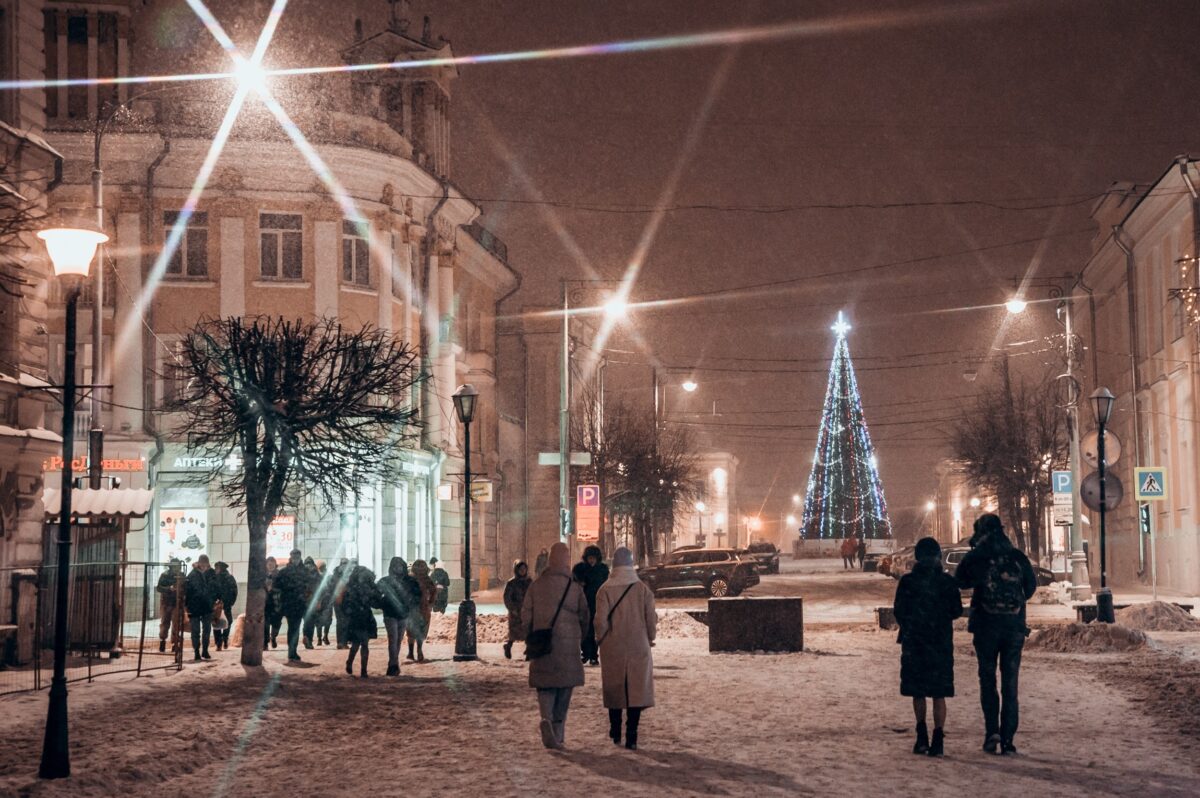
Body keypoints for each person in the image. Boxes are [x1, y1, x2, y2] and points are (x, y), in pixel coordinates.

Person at [955, 513, 1037, 756]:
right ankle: (1009, 739)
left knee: (988, 680)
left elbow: (960, 580)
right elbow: (1031, 587)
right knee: (1011, 683)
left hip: (985, 627)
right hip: (1014, 628)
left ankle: (992, 732)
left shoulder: (979, 555)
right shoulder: (1016, 556)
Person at [893, 537, 963, 757]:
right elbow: (956, 611)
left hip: (915, 643)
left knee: (918, 691)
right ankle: (938, 738)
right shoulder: (947, 582)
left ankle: (921, 735)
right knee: (939, 693)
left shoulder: (908, 582)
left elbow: (899, 611)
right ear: (938, 556)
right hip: (940, 644)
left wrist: (912, 625)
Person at [522, 542, 590, 750]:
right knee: (564, 686)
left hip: (543, 642)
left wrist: (530, 634)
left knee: (545, 684)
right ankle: (558, 730)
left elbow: (526, 614)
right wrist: (581, 636)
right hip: (568, 646)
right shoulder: (574, 587)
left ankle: (546, 718)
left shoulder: (537, 585)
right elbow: (584, 615)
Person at [593, 547, 657, 750]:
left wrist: (600, 638)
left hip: (613, 646)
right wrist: (650, 637)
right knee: (636, 690)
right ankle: (632, 734)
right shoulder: (642, 589)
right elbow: (651, 619)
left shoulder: (605, 589)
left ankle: (615, 729)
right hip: (638, 645)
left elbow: (600, 621)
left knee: (615, 688)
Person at [378, 557, 421, 676]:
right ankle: (393, 664)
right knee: (393, 639)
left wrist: (411, 603)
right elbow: (376, 595)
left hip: (403, 614)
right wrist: (383, 604)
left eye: (400, 566)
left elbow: (417, 595)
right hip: (390, 614)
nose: (398, 568)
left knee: (398, 640)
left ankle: (393, 662)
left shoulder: (409, 581)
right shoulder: (385, 581)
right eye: (395, 566)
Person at [572, 545, 609, 666]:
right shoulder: (580, 569)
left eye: (593, 558)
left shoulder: (602, 569)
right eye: (589, 558)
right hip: (584, 604)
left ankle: (593, 655)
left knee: (594, 631)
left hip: (598, 603)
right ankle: (585, 653)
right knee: (584, 630)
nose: (591, 560)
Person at [343, 564, 381, 677]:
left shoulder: (366, 586)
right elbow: (346, 603)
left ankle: (362, 669)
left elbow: (375, 599)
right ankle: (352, 664)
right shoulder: (351, 587)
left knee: (363, 643)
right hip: (356, 617)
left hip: (365, 616)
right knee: (357, 644)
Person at [275, 549, 311, 661]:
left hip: (296, 604)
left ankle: (292, 650)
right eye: (294, 555)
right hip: (293, 604)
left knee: (294, 628)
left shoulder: (288, 571)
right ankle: (292, 651)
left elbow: (309, 586)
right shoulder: (289, 571)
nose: (295, 558)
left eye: (297, 555)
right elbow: (277, 587)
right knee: (294, 628)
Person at [184, 555, 217, 661]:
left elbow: (215, 587)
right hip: (195, 606)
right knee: (195, 630)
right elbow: (188, 591)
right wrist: (187, 605)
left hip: (207, 606)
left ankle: (205, 650)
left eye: (205, 563)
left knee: (207, 629)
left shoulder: (211, 574)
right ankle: (197, 651)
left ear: (207, 564)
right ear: (198, 563)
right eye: (201, 563)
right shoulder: (192, 574)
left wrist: (215, 599)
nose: (203, 565)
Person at [406, 559, 436, 662]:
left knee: (411, 630)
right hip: (423, 607)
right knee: (421, 629)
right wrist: (431, 603)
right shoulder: (427, 579)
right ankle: (419, 650)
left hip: (411, 608)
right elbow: (433, 591)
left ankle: (411, 652)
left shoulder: (409, 579)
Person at [503, 560, 532, 660]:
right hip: (515, 611)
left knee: (528, 631)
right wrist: (512, 609)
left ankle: (529, 652)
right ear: (517, 570)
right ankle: (508, 646)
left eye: (524, 569)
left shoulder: (529, 581)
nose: (523, 571)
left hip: (527, 610)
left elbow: (533, 595)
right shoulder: (511, 583)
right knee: (514, 633)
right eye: (521, 569)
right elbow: (507, 597)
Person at [156, 559, 183, 653]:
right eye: (175, 566)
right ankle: (162, 641)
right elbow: (159, 588)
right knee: (164, 623)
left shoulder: (181, 575)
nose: (177, 568)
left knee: (176, 624)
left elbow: (185, 587)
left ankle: (175, 644)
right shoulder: (165, 575)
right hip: (166, 602)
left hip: (177, 602)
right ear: (171, 566)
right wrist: (169, 589)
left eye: (178, 566)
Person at [211, 561, 238, 651]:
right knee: (228, 622)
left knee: (216, 621)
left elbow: (212, 591)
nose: (216, 569)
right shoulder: (230, 577)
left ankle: (219, 642)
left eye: (217, 568)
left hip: (217, 604)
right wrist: (230, 602)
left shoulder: (215, 578)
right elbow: (234, 591)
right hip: (226, 604)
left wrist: (214, 601)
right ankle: (224, 639)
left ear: (220, 568)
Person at [331, 557, 352, 649]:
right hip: (346, 600)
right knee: (346, 621)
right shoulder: (348, 574)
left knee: (340, 621)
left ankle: (340, 642)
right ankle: (343, 642)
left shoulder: (335, 574)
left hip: (337, 600)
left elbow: (331, 587)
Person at [263, 556, 283, 649]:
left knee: (277, 623)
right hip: (266, 603)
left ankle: (273, 636)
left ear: (275, 565)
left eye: (272, 564)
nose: (270, 566)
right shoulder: (262, 575)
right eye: (268, 564)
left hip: (276, 602)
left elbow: (283, 587)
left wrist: (273, 589)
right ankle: (265, 642)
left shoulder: (279, 575)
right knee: (265, 624)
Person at [302, 556, 321, 649]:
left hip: (303, 600)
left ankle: (306, 636)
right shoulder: (317, 574)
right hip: (313, 600)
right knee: (310, 621)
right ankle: (308, 639)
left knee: (306, 621)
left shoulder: (301, 572)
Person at [313, 560, 334, 646]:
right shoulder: (317, 577)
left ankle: (323, 637)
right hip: (321, 600)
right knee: (320, 621)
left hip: (326, 600)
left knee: (326, 620)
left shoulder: (328, 576)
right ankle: (321, 638)